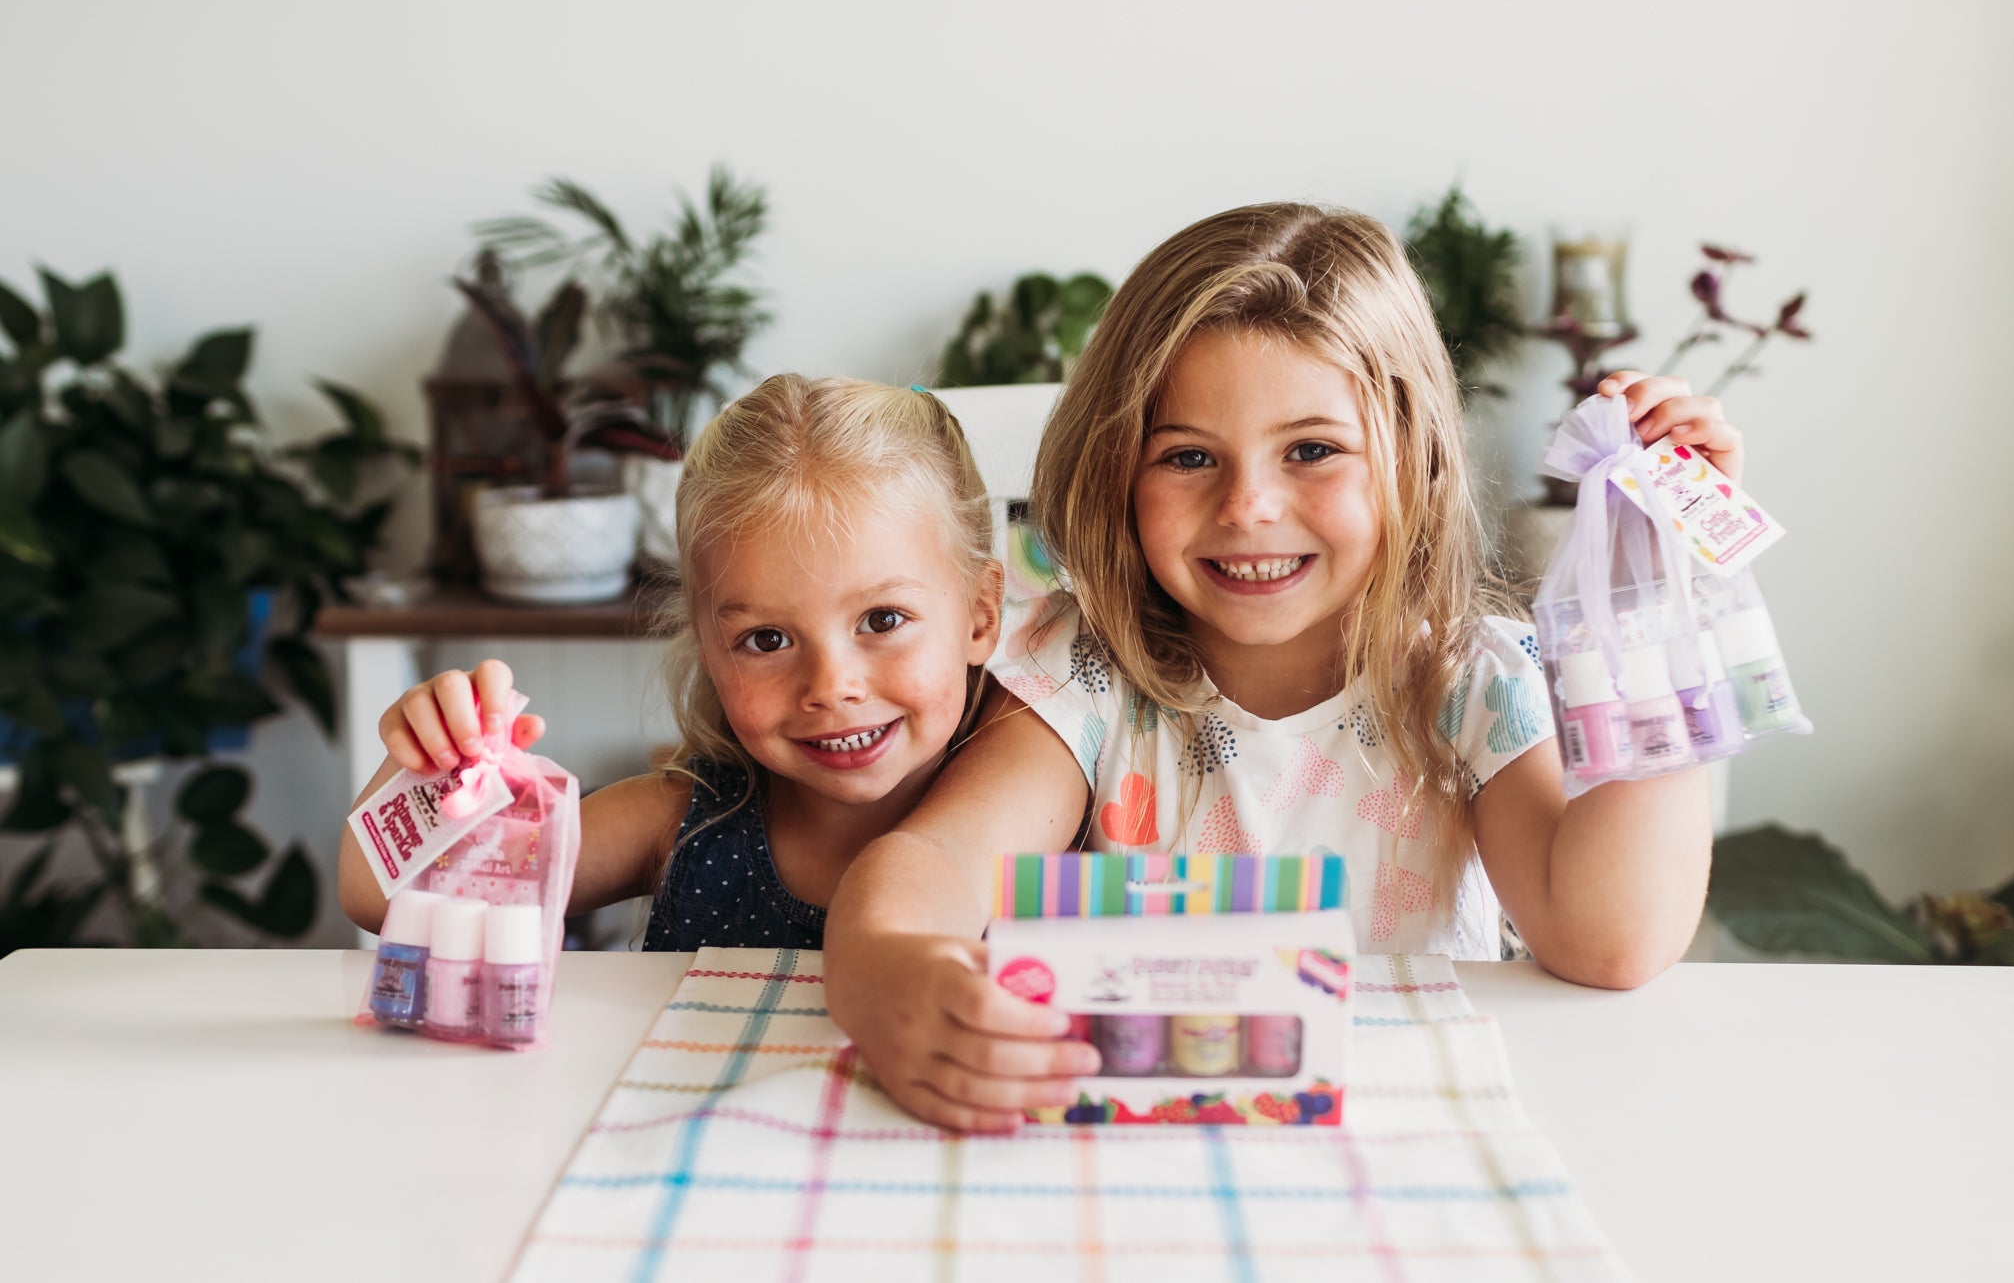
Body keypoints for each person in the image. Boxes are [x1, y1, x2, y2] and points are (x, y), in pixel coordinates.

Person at [822, 202, 1745, 1131]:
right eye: (1187, 456)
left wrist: (1660, 584)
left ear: (1412, 461)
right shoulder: (1089, 674)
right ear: (1117, 476)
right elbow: (936, 860)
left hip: (1409, 1139)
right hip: (1146, 1158)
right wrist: (889, 972)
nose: (1249, 505)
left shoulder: (1469, 684)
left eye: (1312, 450)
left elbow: (1612, 938)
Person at [338, 374, 1005, 951]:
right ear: (708, 648)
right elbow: (383, 898)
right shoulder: (683, 817)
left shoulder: (1037, 813)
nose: (832, 688)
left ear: (980, 614)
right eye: (768, 640)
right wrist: (426, 760)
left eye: (882, 621)